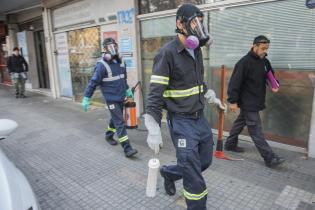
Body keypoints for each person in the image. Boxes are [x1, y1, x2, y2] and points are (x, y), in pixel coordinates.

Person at [144, 4, 226, 210]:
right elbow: (155, 95)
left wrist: (210, 97)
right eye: (193, 22)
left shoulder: (196, 49)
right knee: (193, 175)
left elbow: (196, 82)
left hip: (199, 118)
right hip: (181, 121)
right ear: (179, 24)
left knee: (204, 161)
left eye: (200, 22)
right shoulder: (167, 54)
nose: (198, 27)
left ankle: (169, 173)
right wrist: (153, 128)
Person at [224, 35, 285, 168]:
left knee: (240, 122)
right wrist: (232, 101)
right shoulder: (243, 63)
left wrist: (275, 85)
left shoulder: (265, 62)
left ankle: (229, 144)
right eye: (262, 48)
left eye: (267, 48)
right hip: (248, 102)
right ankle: (269, 158)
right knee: (256, 130)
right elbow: (234, 83)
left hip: (257, 100)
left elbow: (271, 77)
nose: (265, 51)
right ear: (254, 46)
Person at [81, 37, 138, 158]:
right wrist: (87, 97)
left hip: (121, 96)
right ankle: (127, 149)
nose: (113, 48)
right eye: (109, 46)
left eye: (114, 45)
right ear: (105, 49)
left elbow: (123, 78)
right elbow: (93, 82)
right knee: (119, 121)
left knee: (115, 118)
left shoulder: (121, 61)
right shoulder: (101, 65)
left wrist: (127, 90)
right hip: (111, 98)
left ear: (116, 46)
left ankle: (108, 135)